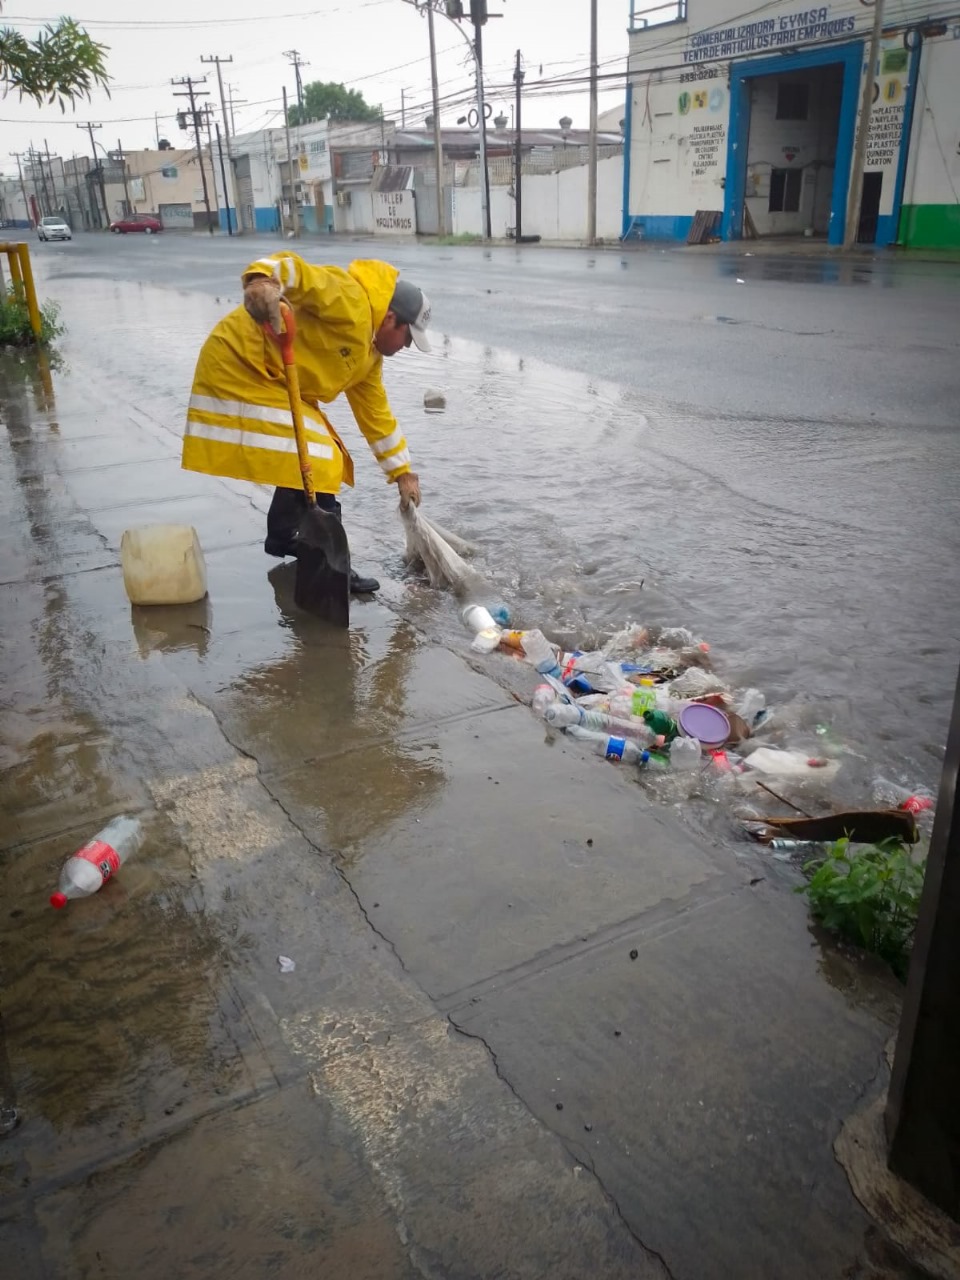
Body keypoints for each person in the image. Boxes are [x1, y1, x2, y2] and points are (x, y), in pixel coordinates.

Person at [181, 252, 429, 594]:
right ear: (390, 319)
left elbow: (376, 416)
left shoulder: (368, 358)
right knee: (322, 456)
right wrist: (262, 282)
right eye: (407, 338)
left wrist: (402, 473)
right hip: (241, 364)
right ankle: (330, 566)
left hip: (278, 380)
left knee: (321, 451)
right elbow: (296, 271)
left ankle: (288, 535)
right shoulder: (351, 299)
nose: (406, 347)